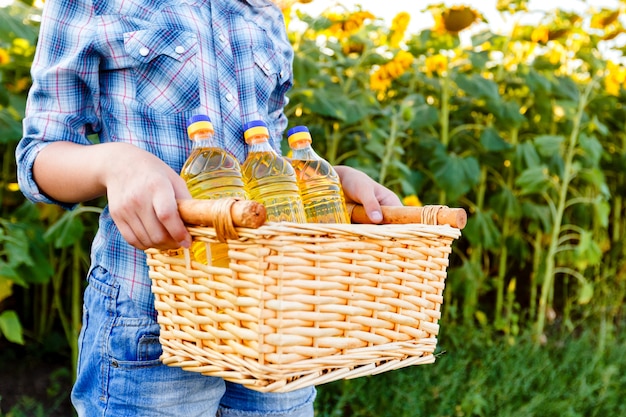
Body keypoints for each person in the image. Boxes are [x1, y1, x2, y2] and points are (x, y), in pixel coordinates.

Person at [16, 0, 403, 416]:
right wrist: (114, 162)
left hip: (271, 315)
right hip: (154, 314)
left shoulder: (262, 11)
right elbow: (38, 157)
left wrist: (327, 180)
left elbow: (263, 161)